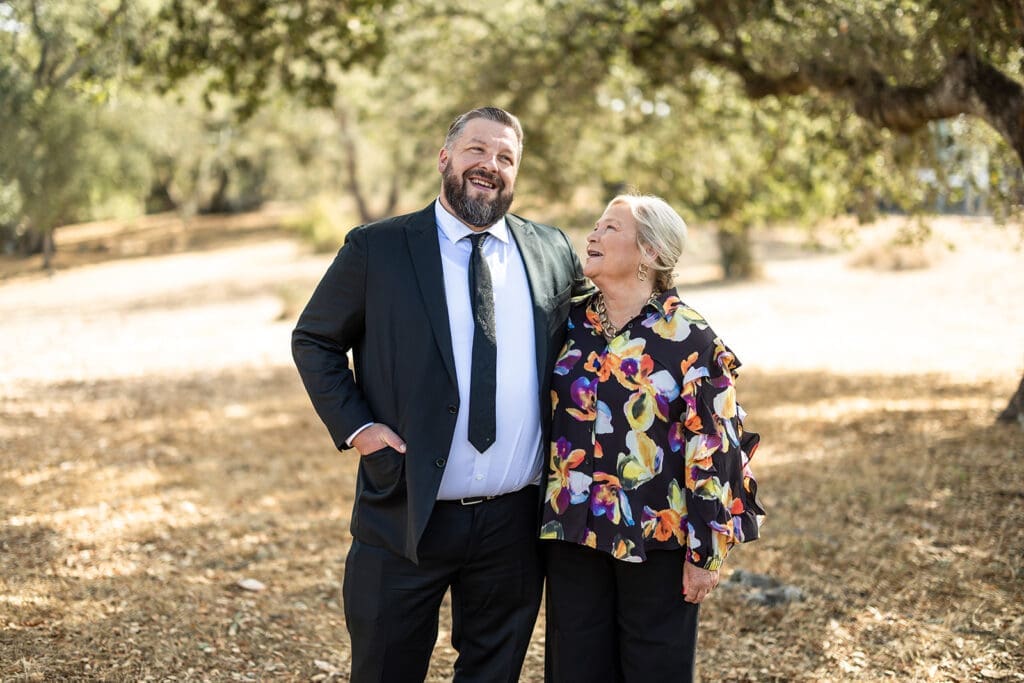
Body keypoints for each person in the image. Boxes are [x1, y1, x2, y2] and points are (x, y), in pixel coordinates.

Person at [291, 106, 588, 683]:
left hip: (514, 523)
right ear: (445, 157)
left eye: (506, 157)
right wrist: (358, 428)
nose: (490, 166)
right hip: (405, 512)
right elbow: (315, 339)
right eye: (477, 150)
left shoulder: (550, 250)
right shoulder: (378, 248)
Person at [540, 194, 764, 683]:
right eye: (595, 226)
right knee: (574, 667)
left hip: (658, 537)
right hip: (572, 532)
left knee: (653, 669)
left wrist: (706, 553)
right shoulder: (569, 321)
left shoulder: (691, 338)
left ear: (651, 254)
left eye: (610, 228)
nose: (593, 235)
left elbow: (715, 448)